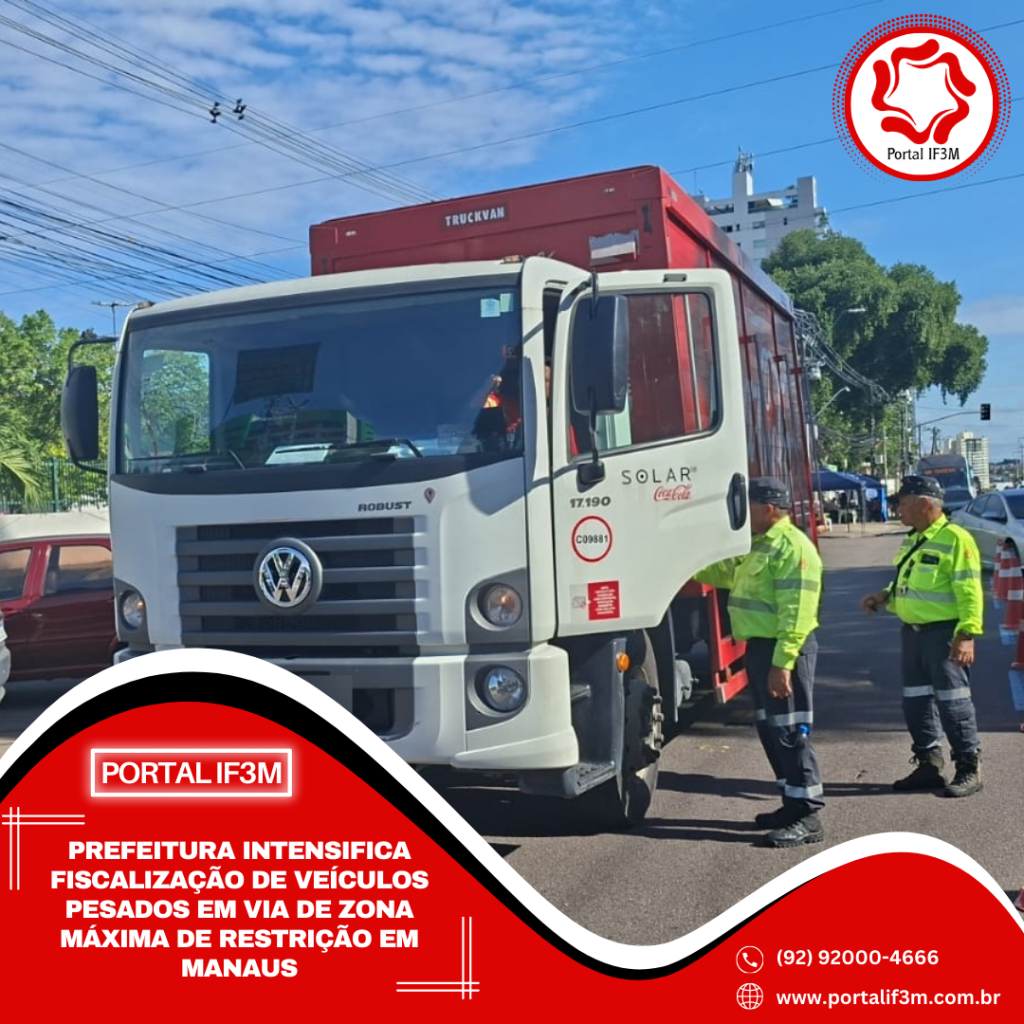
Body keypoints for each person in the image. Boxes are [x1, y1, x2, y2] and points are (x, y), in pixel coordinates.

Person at [695, 477, 825, 848]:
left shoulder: (792, 548)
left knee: (790, 730)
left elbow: (796, 613)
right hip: (760, 649)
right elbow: (725, 573)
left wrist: (782, 664)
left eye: (747, 507)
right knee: (772, 729)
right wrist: (681, 563)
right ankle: (792, 803)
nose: (741, 514)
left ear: (768, 509)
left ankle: (808, 816)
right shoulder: (759, 544)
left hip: (784, 651)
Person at [860, 474, 984, 798]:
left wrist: (967, 634)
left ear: (924, 503)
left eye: (903, 504)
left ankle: (968, 767)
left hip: (944, 636)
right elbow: (908, 581)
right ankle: (929, 765)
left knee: (953, 703)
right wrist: (885, 595)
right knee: (916, 703)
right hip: (913, 636)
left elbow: (969, 591)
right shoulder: (915, 538)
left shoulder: (955, 539)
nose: (899, 510)